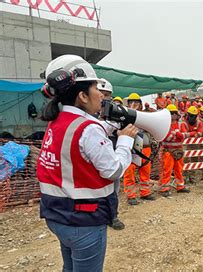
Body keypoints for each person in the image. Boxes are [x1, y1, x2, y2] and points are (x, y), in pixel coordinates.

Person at [37, 55, 138, 271]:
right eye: (96, 88)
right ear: (82, 95)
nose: (101, 94)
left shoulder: (57, 121)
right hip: (84, 220)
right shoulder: (88, 129)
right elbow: (113, 170)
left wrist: (106, 128)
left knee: (70, 267)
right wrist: (125, 142)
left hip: (57, 214)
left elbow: (77, 143)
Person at [97, 79, 125, 231]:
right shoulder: (89, 116)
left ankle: (113, 216)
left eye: (107, 94)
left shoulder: (115, 114)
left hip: (112, 154)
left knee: (113, 189)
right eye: (101, 93)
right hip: (95, 158)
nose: (103, 97)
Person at [122, 93, 156, 205]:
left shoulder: (147, 115)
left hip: (145, 147)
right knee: (130, 171)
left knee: (145, 171)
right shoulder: (125, 116)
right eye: (131, 102)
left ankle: (145, 192)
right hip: (132, 148)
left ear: (141, 104)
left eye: (136, 102)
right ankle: (131, 195)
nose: (134, 105)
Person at [159, 104, 190, 197]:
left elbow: (184, 136)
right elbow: (166, 138)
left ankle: (180, 186)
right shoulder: (164, 125)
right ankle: (164, 188)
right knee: (166, 170)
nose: (173, 115)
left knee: (179, 170)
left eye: (174, 113)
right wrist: (176, 134)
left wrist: (175, 134)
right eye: (170, 113)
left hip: (178, 151)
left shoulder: (180, 124)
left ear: (177, 114)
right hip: (167, 151)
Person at [181, 106, 203, 183]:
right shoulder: (183, 123)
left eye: (194, 116)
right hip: (186, 144)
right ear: (188, 115)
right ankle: (185, 176)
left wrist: (189, 134)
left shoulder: (199, 122)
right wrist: (194, 133)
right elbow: (184, 134)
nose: (192, 117)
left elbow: (200, 134)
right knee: (185, 160)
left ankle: (192, 176)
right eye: (191, 115)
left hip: (195, 144)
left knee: (194, 160)